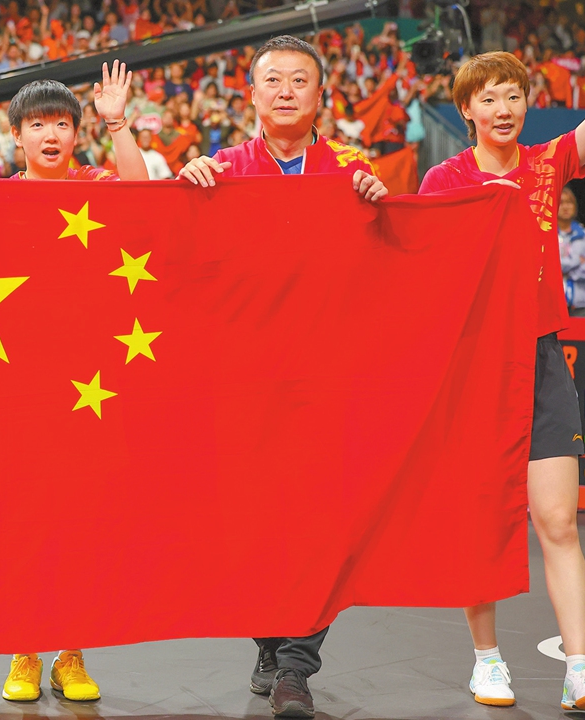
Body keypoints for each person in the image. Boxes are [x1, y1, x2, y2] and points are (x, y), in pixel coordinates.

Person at [417, 0, 585, 711]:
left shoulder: (552, 163)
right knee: (483, 521)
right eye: (489, 98)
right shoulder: (445, 182)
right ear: (468, 111)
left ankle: (581, 667)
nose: (504, 107)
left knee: (558, 522)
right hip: (475, 364)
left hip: (541, 361)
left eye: (513, 95)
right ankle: (487, 659)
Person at [178, 35, 385, 720]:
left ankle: (297, 668)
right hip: (244, 382)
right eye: (274, 80)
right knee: (250, 526)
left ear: (322, 95)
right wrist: (187, 188)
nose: (287, 90)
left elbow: (395, 258)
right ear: (253, 94)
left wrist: (382, 209)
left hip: (330, 382)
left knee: (323, 527)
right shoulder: (223, 168)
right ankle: (268, 641)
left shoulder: (352, 173)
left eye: (301, 79)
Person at [0, 61, 148, 705]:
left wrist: (118, 123)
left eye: (63, 123)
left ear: (77, 134)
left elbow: (144, 198)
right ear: (17, 137)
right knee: (27, 519)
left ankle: (72, 652)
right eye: (38, 125)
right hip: (22, 386)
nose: (51, 133)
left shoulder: (97, 182)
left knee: (84, 520)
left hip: (91, 384)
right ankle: (25, 649)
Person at [557, 187, 585, 315]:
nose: (565, 207)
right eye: (561, 203)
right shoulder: (545, 234)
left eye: (569, 203)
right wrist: (577, 261)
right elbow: (545, 264)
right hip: (551, 302)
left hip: (579, 302)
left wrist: (566, 272)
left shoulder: (584, 235)